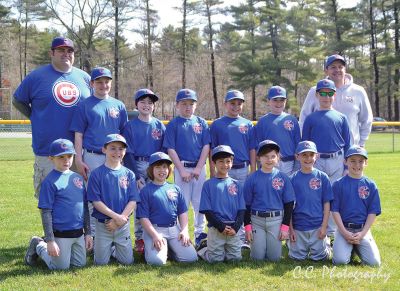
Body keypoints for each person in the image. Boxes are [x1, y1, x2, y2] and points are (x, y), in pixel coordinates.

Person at [13, 36, 91, 198]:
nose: (66, 54)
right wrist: (35, 116)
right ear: (52, 53)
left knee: (81, 202)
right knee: (49, 203)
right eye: (61, 50)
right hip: (48, 152)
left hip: (79, 153)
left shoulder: (85, 78)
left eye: (70, 51)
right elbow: (17, 100)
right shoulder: (36, 77)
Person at [24, 139, 93, 270]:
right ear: (51, 158)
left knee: (80, 264)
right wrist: (50, 241)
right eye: (61, 157)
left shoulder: (77, 178)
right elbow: (46, 212)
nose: (66, 160)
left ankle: (65, 251)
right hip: (60, 233)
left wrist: (88, 233)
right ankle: (39, 244)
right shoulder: (49, 182)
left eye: (69, 156)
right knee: (60, 268)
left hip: (78, 233)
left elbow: (84, 207)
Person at [163, 89, 211, 246]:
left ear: (195, 106)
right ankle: (180, 233)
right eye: (184, 104)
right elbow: (170, 148)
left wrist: (198, 167)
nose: (188, 107)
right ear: (177, 105)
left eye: (191, 104)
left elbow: (206, 146)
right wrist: (181, 170)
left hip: (198, 168)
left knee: (199, 202)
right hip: (181, 166)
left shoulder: (201, 122)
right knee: (181, 202)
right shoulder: (173, 124)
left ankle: (199, 234)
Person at [122, 88, 165, 254]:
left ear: (153, 106)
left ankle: (155, 233)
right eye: (143, 102)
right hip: (138, 164)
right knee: (139, 201)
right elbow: (129, 153)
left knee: (155, 200)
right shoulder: (130, 126)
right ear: (136, 104)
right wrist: (136, 175)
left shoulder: (159, 125)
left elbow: (164, 150)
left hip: (155, 165)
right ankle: (140, 237)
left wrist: (161, 169)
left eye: (150, 102)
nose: (146, 105)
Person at [136, 152, 198, 265]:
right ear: (151, 170)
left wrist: (184, 230)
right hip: (155, 230)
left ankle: (170, 249)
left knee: (191, 258)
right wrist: (154, 236)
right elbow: (143, 218)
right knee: (157, 262)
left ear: (169, 170)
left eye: (164, 167)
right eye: (158, 167)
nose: (162, 170)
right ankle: (151, 248)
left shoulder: (175, 188)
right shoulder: (145, 191)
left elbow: (182, 212)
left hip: (174, 230)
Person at [87, 134, 139, 265]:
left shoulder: (129, 174)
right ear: (104, 150)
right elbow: (96, 202)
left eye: (121, 149)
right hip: (103, 225)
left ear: (125, 151)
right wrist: (116, 217)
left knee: (128, 262)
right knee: (100, 263)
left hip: (122, 224)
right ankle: (107, 247)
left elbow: (133, 200)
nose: (117, 152)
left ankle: (115, 248)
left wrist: (121, 219)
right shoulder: (96, 174)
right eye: (113, 148)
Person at [300, 54, 373, 147]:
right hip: (320, 150)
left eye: (340, 67)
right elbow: (303, 119)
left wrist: (361, 143)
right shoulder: (315, 91)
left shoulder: (358, 91)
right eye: (333, 67)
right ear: (326, 70)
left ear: (345, 69)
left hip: (351, 149)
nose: (337, 70)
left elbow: (366, 119)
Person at [70, 67, 128, 181]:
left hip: (115, 155)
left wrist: (123, 155)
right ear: (92, 83)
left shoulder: (119, 105)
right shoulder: (84, 105)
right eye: (99, 82)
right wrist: (78, 159)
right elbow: (78, 135)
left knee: (114, 191)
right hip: (93, 156)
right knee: (93, 193)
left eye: (107, 82)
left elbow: (124, 133)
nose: (103, 85)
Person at [243, 140, 295, 261]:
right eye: (265, 156)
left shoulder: (283, 178)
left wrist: (285, 227)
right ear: (259, 158)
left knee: (274, 258)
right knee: (257, 258)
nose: (269, 159)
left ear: (278, 158)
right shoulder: (252, 178)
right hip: (257, 220)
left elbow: (289, 203)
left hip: (276, 220)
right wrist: (248, 227)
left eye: (273, 156)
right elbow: (246, 204)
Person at [331, 146, 381, 266]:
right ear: (345, 161)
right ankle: (346, 245)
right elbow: (335, 211)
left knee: (374, 263)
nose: (357, 164)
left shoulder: (371, 185)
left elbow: (372, 212)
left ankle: (356, 246)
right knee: (340, 261)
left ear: (366, 163)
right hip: (344, 229)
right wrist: (344, 232)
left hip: (362, 229)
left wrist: (363, 233)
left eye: (361, 161)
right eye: (352, 160)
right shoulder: (338, 184)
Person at [197, 145, 246, 263]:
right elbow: (207, 211)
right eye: (220, 162)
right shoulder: (208, 185)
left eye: (228, 161)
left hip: (233, 228)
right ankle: (204, 248)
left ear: (232, 162)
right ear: (213, 163)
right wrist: (221, 226)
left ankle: (221, 248)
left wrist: (235, 228)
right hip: (216, 228)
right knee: (215, 260)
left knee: (235, 259)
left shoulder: (237, 184)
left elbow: (242, 210)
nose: (225, 165)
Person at [288, 141, 332, 261]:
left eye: (311, 155)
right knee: (296, 258)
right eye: (304, 155)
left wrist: (324, 227)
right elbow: (289, 207)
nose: (308, 158)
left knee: (320, 257)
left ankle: (325, 243)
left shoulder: (322, 177)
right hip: (299, 226)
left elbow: (327, 204)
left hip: (317, 226)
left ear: (316, 156)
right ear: (297, 157)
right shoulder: (292, 179)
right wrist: (291, 230)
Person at [302, 79, 351, 183]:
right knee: (317, 192)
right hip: (316, 160)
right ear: (317, 95)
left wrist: (347, 167)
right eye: (323, 93)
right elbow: (305, 144)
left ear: (335, 95)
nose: (326, 97)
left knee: (336, 193)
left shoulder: (342, 117)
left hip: (337, 159)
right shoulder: (310, 118)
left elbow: (347, 144)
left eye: (330, 93)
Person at [209, 90, 256, 183]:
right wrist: (212, 170)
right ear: (225, 104)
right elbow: (212, 149)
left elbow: (252, 148)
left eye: (239, 104)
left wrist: (253, 169)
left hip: (243, 168)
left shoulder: (248, 124)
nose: (236, 106)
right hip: (224, 169)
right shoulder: (217, 124)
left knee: (242, 197)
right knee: (224, 196)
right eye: (232, 103)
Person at [255, 86, 301, 175]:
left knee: (288, 187)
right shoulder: (263, 121)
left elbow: (297, 142)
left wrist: (297, 163)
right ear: (268, 101)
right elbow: (259, 146)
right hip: (269, 162)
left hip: (289, 161)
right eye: (275, 100)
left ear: (286, 101)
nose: (279, 103)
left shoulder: (292, 119)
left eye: (282, 100)